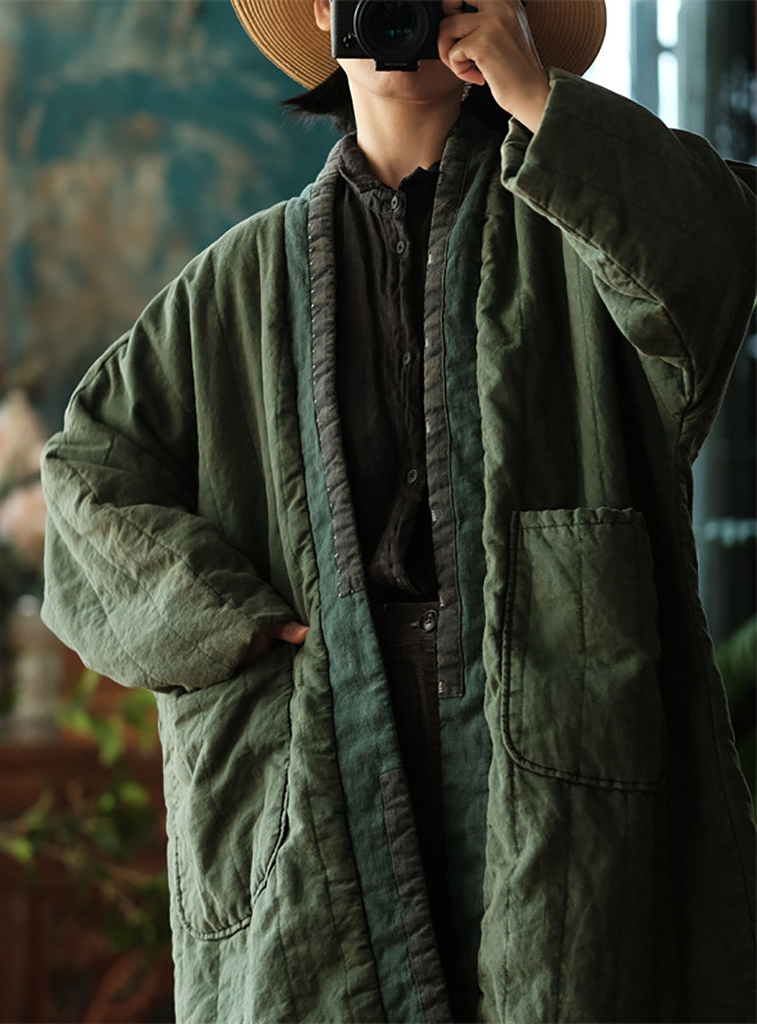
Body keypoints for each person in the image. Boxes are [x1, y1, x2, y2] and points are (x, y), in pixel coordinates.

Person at [40, 1, 756, 1021]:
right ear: (323, 11)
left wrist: (537, 96)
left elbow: (719, 255)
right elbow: (84, 481)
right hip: (321, 735)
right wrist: (231, 621)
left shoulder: (585, 231)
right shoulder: (234, 283)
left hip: (558, 747)